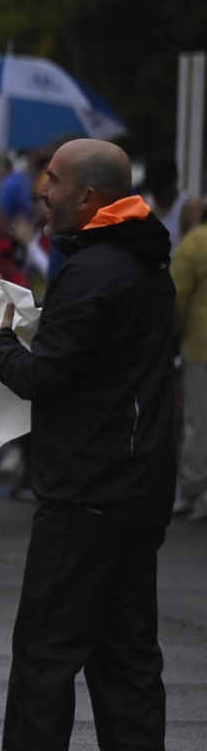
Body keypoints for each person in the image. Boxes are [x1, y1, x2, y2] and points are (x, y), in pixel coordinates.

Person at [0, 139, 175, 751]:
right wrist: (21, 312)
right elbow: (87, 357)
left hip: (85, 493)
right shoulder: (139, 266)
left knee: (45, 657)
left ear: (89, 198)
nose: (40, 192)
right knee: (126, 659)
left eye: (52, 181)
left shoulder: (95, 273)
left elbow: (46, 375)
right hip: (135, 490)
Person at [170, 214, 207, 522]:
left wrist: (172, 336)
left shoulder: (195, 243)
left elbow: (177, 297)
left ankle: (194, 492)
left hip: (201, 346)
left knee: (198, 422)